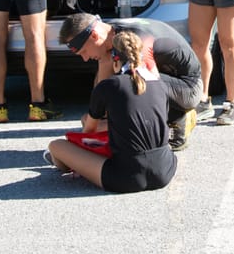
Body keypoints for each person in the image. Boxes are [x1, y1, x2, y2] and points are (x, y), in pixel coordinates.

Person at [45, 31, 177, 192]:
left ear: (115, 61)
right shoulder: (160, 85)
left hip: (126, 177)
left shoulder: (108, 86)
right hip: (164, 170)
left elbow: (88, 134)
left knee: (56, 146)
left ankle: (65, 163)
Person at [59, 13, 203, 151]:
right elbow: (103, 87)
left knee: (129, 83)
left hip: (188, 88)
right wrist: (98, 117)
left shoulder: (136, 41)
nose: (85, 58)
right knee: (93, 120)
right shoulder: (110, 33)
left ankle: (176, 117)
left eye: (84, 51)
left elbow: (149, 93)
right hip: (166, 77)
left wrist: (113, 124)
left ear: (95, 35)